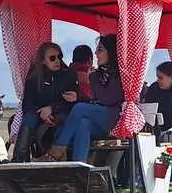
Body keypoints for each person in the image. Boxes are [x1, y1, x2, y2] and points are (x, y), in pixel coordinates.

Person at [37, 34, 125, 162]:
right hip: (101, 119)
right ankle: (78, 166)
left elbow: (106, 99)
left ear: (111, 52)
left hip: (114, 118)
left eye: (100, 50)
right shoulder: (101, 73)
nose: (96, 53)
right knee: (83, 124)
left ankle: (57, 150)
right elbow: (95, 99)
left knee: (80, 108)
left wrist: (92, 79)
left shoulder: (119, 74)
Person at [14, 42, 78, 161]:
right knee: (28, 118)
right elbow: (27, 104)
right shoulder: (34, 79)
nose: (57, 60)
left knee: (62, 119)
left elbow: (72, 102)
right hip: (39, 114)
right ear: (43, 61)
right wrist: (42, 113)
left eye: (60, 56)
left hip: (61, 113)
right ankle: (19, 158)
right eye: (52, 58)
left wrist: (52, 109)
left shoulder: (68, 75)